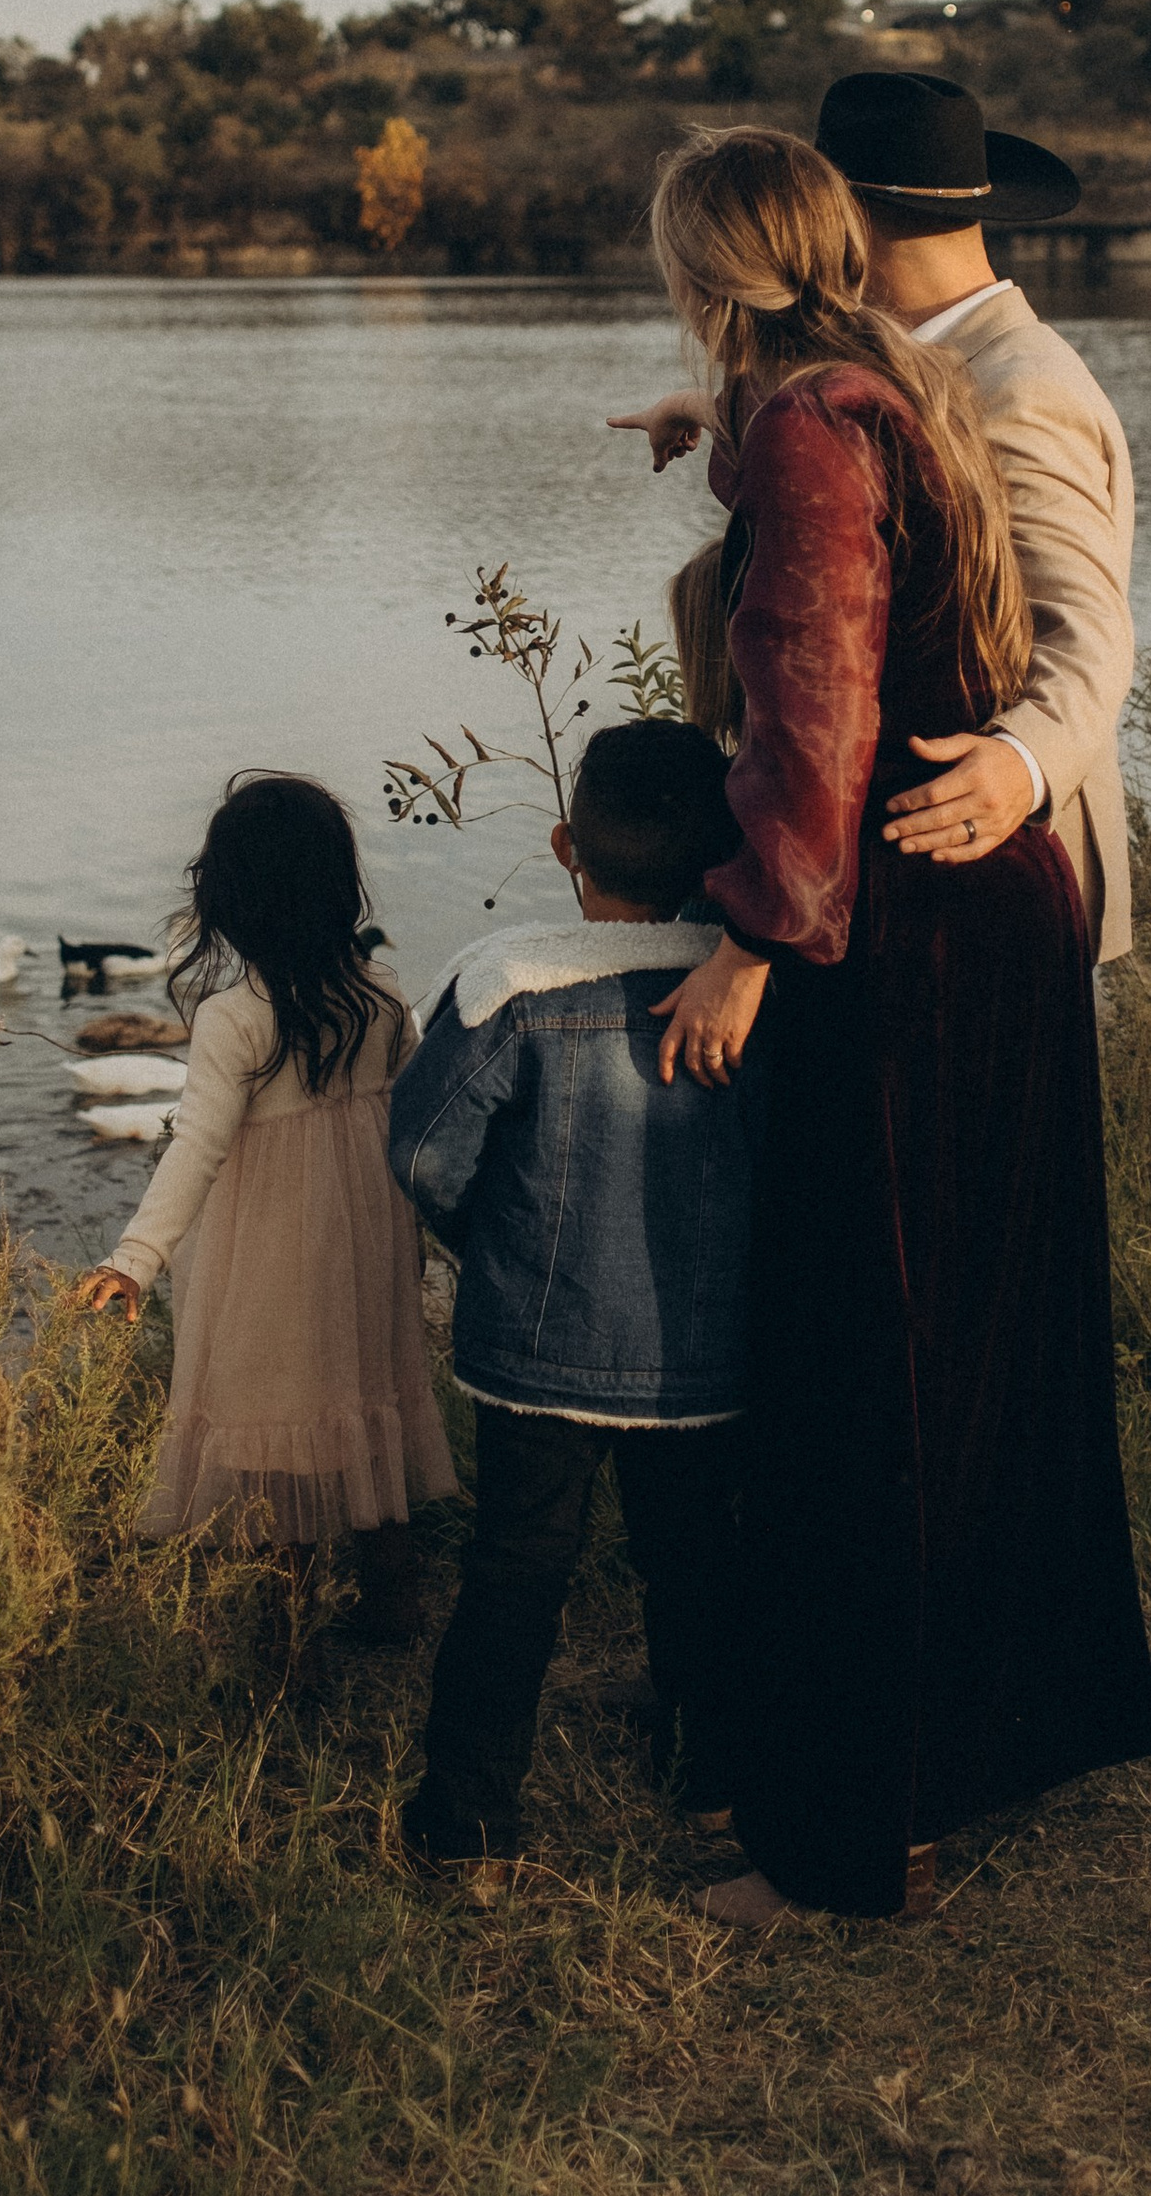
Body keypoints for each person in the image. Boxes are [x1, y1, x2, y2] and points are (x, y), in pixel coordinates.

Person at [623, 128, 1151, 1926]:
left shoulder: (859, 409)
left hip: (903, 916)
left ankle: (859, 1835)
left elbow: (825, 699)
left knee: (870, 1372)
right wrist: (715, 449)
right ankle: (971, 1746)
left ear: (706, 266)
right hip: (981, 920)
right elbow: (861, 532)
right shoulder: (898, 378)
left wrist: (758, 938)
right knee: (975, 1354)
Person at [614, 68, 1135, 964]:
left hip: (983, 852)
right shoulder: (911, 365)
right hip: (912, 867)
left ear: (841, 219)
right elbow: (862, 472)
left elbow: (1088, 628)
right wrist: (704, 407)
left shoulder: (1020, 387)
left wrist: (1023, 762)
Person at [387, 719, 757, 1893]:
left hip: (538, 1351)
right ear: (720, 862)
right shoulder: (758, 990)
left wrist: (484, 1242)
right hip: (705, 1361)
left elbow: (426, 1152)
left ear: (563, 846)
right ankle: (714, 1790)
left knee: (514, 1574)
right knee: (697, 1568)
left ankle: (469, 1832)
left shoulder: (511, 984)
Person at [71, 771, 457, 1650]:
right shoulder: (382, 996)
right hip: (364, 1242)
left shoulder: (234, 1019)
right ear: (336, 889)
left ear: (228, 903)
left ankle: (286, 1643)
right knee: (366, 1395)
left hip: (274, 1255)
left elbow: (196, 1148)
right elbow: (421, 1118)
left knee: (278, 1429)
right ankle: (396, 1609)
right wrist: (431, 1234)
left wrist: (134, 1257)